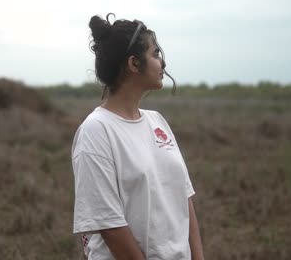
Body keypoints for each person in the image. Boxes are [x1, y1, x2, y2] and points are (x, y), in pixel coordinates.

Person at [72, 13, 204, 259]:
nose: (162, 63)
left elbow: (183, 198)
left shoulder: (157, 122)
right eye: (155, 54)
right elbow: (109, 224)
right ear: (134, 64)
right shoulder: (96, 131)